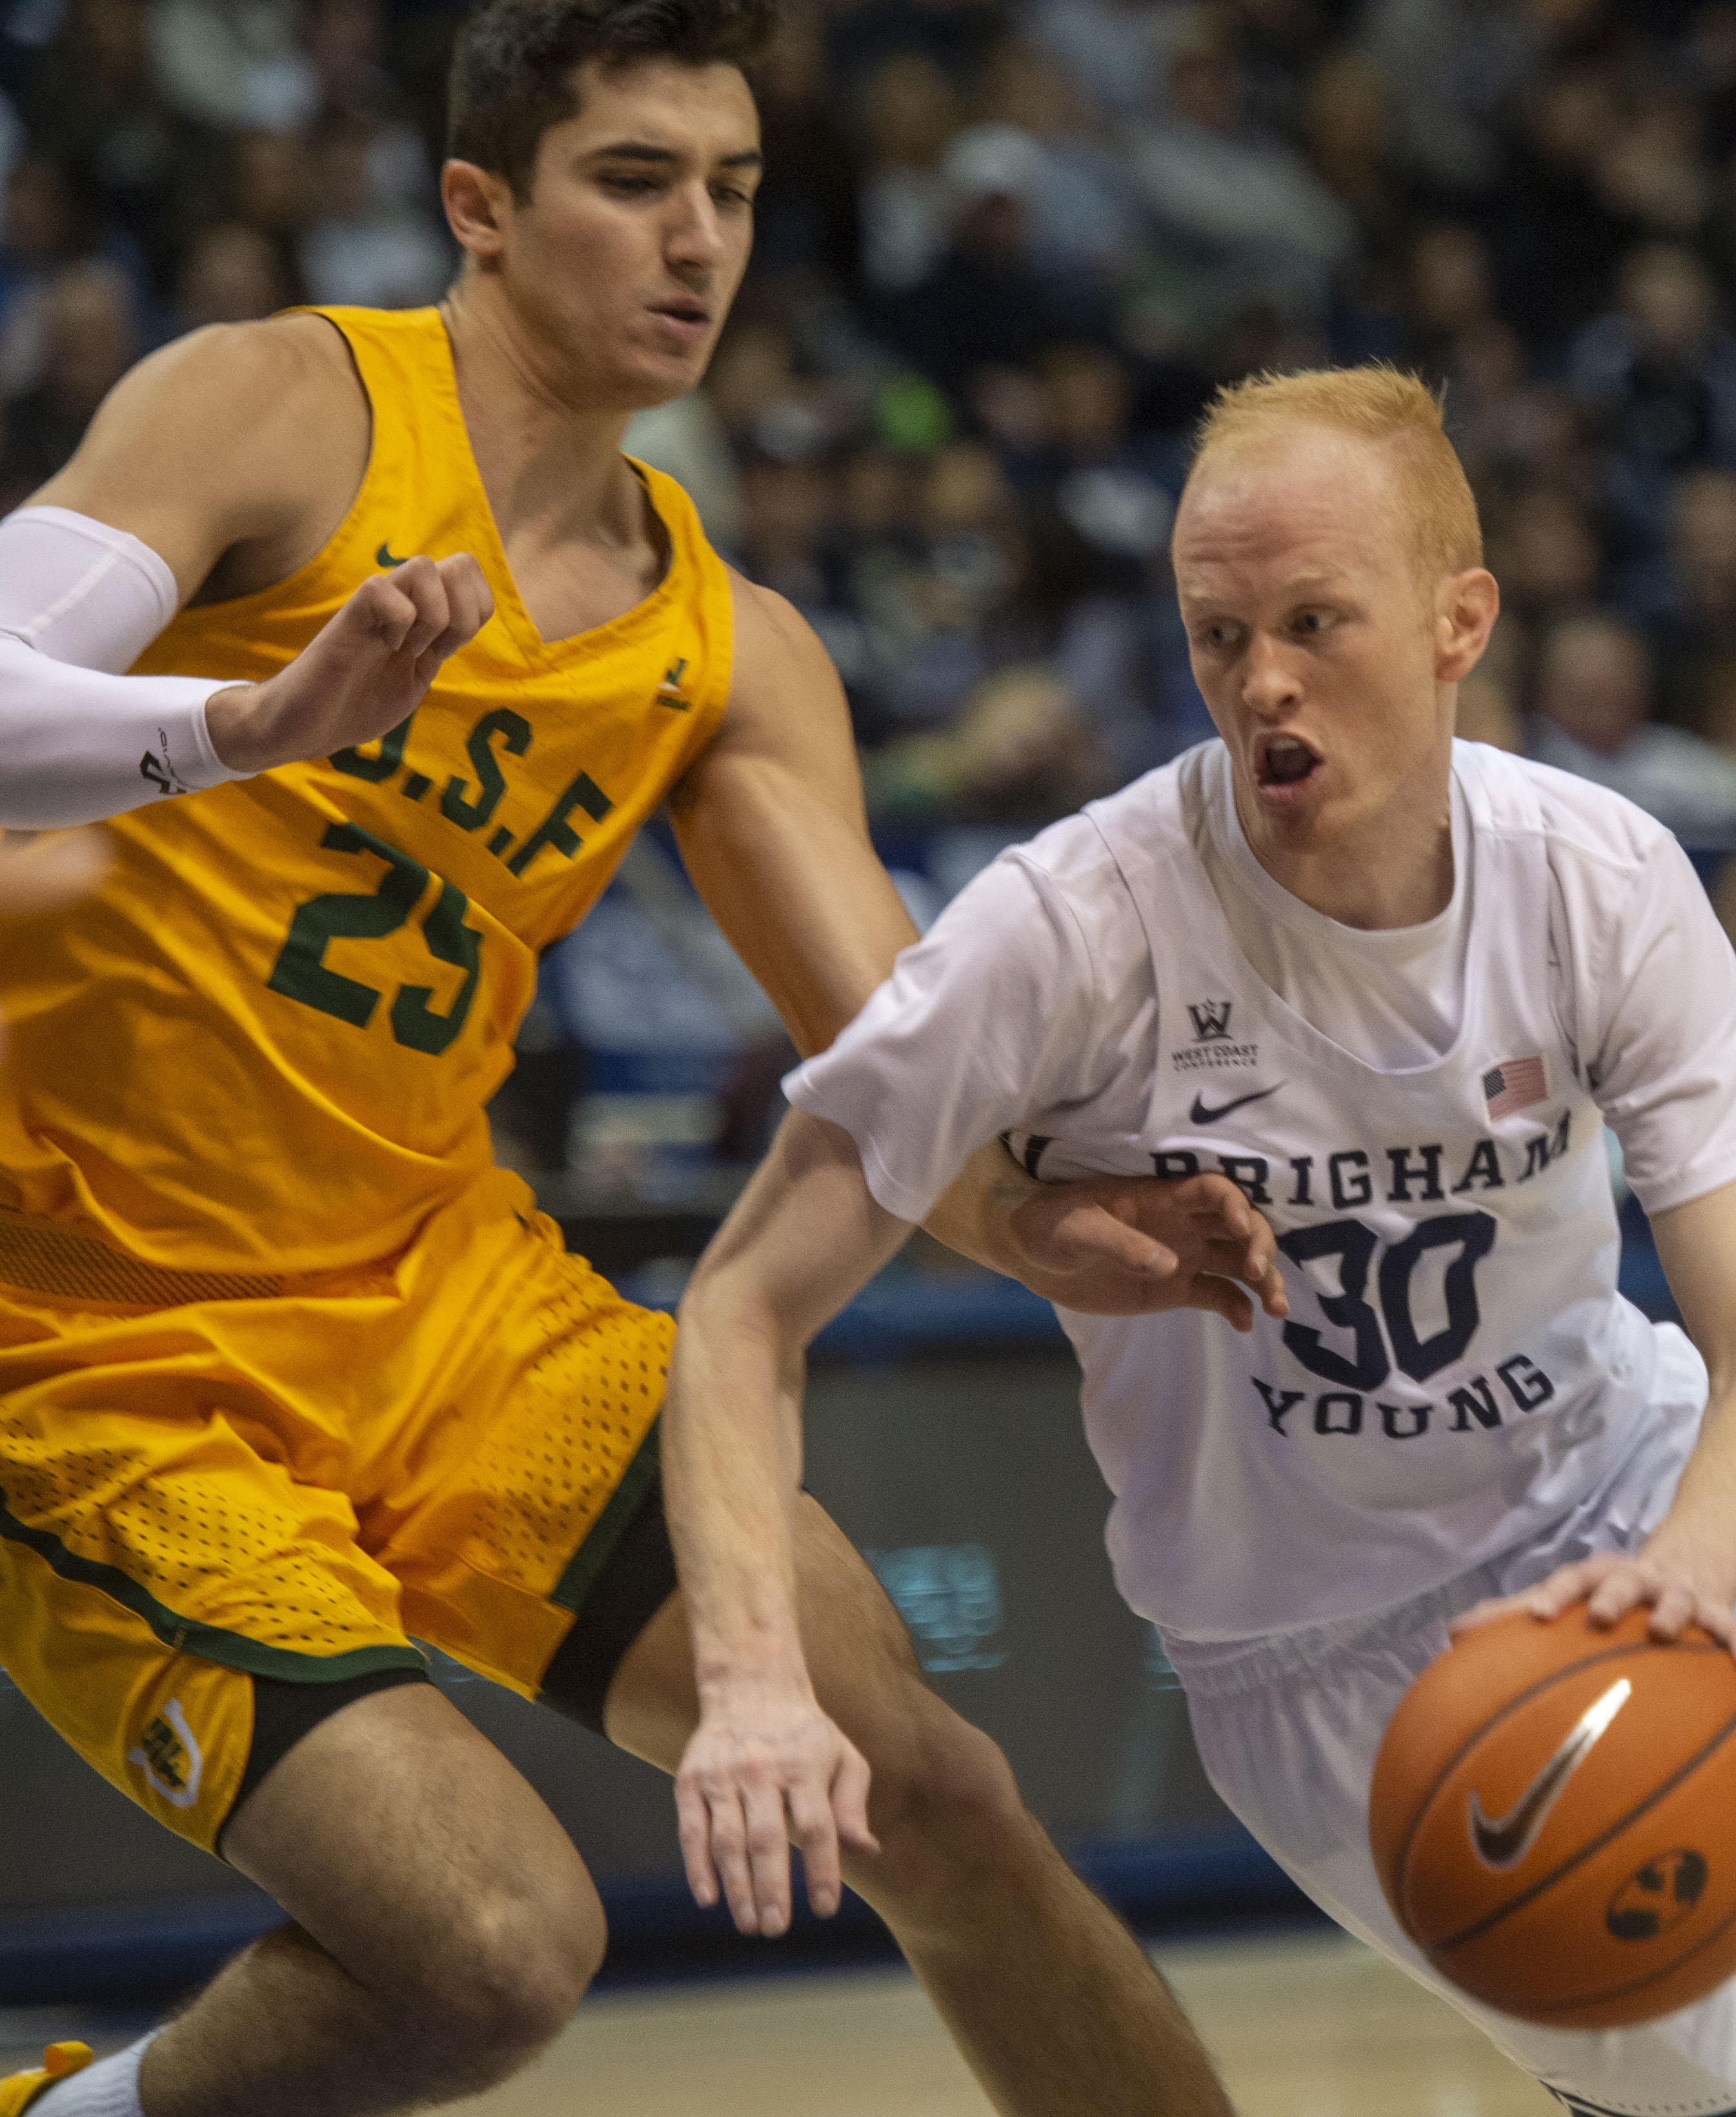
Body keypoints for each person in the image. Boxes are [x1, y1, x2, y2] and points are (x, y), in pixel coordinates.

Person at [0, 5, 1279, 2114]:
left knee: (932, 1789)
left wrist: (1056, 1211)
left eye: (738, 192)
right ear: (479, 209)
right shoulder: (282, 405)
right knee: (493, 1954)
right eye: (635, 182)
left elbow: (896, 1056)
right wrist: (231, 731)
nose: (699, 241)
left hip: (441, 1302)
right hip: (97, 1345)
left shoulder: (729, 648)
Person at [665, 365, 1736, 2117]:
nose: (1260, 682)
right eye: (1217, 635)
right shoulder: (1074, 929)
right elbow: (740, 1306)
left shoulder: (1604, 878)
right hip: (1336, 1669)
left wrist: (1679, 1588)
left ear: (1458, 624)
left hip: (1637, 1521)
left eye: (1313, 623)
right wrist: (750, 1684)